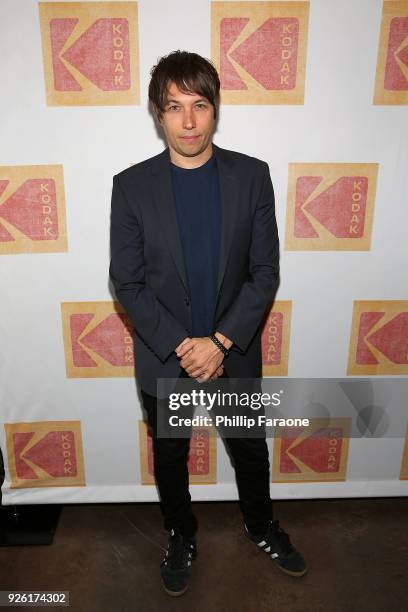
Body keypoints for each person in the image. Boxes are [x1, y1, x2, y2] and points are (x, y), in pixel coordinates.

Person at [109, 50, 307, 596]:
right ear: (158, 113)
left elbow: (265, 271)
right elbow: (126, 284)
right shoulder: (131, 187)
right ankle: (180, 532)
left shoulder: (252, 177)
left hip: (233, 351)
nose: (189, 121)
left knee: (249, 447)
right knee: (170, 453)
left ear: (215, 109)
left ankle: (260, 523)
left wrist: (219, 342)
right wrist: (183, 345)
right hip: (164, 355)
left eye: (200, 105)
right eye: (175, 107)